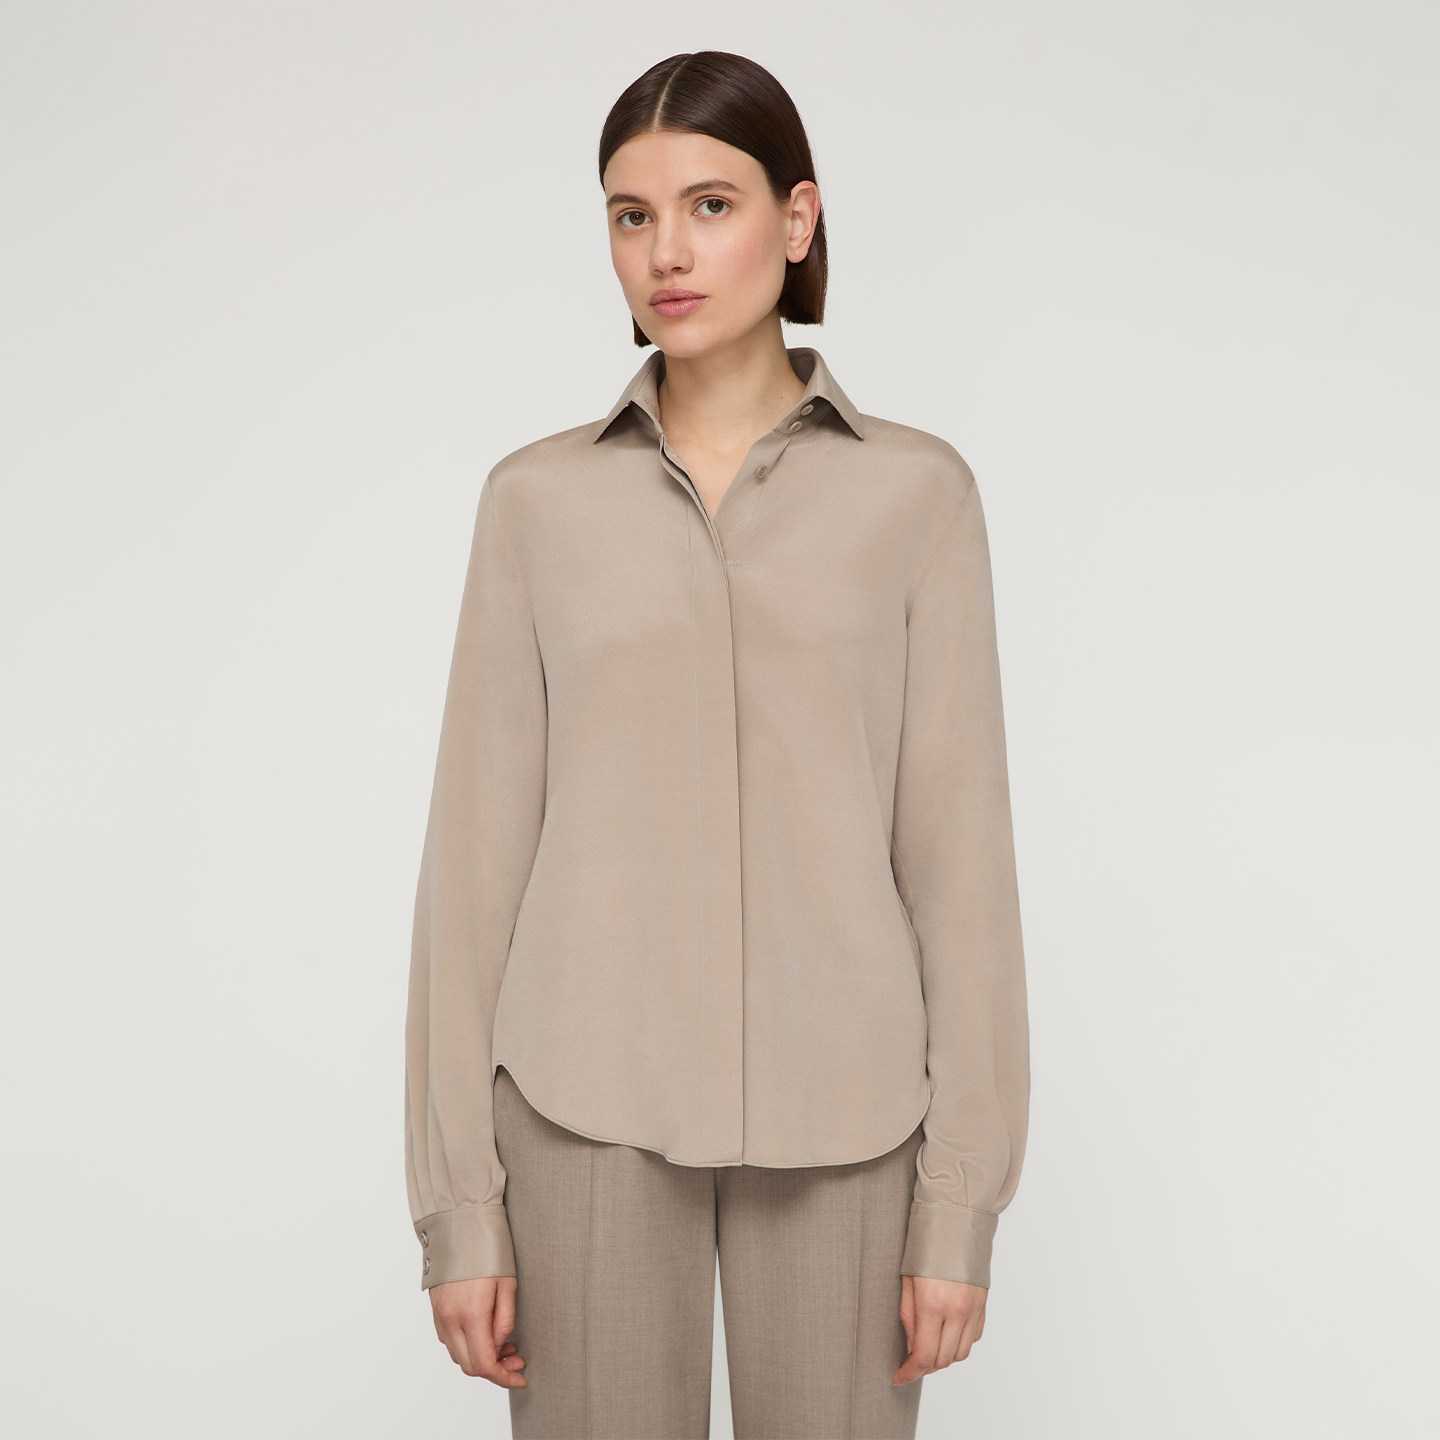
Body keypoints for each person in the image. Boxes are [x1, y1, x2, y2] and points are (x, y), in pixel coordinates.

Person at [404, 49, 1030, 1440]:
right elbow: (473, 869)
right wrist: (460, 1212)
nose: (667, 253)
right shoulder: (535, 504)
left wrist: (958, 1204)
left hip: (852, 1115)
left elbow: (960, 863)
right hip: (579, 1104)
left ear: (796, 220)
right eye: (632, 216)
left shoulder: (918, 496)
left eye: (709, 205)